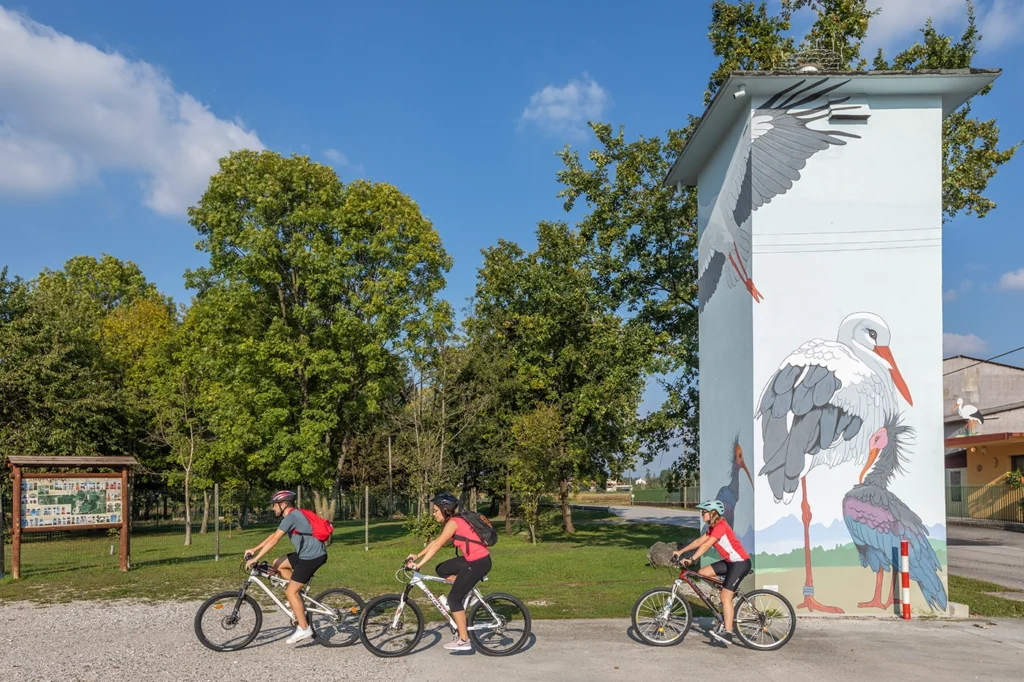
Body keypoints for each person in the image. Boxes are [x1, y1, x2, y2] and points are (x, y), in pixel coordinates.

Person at [406, 492, 491, 653]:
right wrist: (417, 555)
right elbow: (435, 542)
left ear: (445, 510)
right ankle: (466, 591)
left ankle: (464, 640)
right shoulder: (452, 522)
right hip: (472, 559)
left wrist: (419, 565)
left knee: (453, 600)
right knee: (442, 569)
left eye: (435, 510)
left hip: (479, 562)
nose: (433, 513)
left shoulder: (454, 523)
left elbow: (437, 546)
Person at [245, 490, 328, 645]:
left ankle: (304, 628)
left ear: (283, 505)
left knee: (290, 592)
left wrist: (256, 559)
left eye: (274, 505)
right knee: (278, 563)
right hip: (306, 554)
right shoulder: (292, 516)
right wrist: (254, 549)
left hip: (312, 557)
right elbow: (273, 535)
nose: (273, 508)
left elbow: (275, 540)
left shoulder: (292, 517)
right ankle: (299, 594)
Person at [672, 499, 751, 646]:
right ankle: (725, 590)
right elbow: (699, 542)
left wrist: (691, 559)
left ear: (712, 513)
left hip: (740, 563)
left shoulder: (721, 526)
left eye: (704, 512)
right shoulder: (712, 527)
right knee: (703, 572)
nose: (702, 514)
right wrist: (680, 552)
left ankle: (727, 633)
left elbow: (707, 545)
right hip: (730, 562)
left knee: (725, 596)